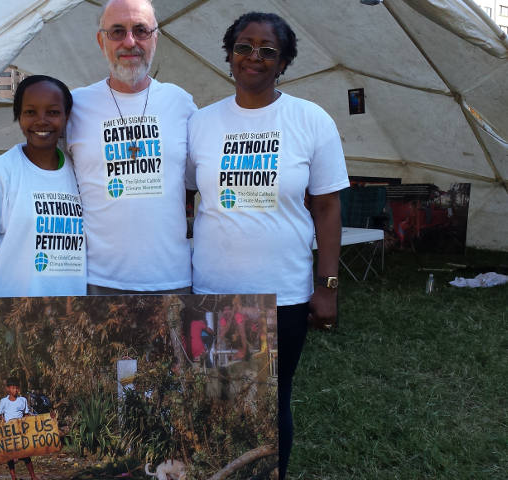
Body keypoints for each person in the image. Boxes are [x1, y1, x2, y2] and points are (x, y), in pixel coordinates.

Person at [187, 12, 348, 478]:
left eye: (267, 50)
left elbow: (328, 209)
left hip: (284, 297)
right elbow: (182, 195)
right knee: (215, 397)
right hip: (212, 291)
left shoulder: (310, 120)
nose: (253, 57)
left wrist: (328, 286)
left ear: (284, 62)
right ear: (229, 54)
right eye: (243, 46)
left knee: (272, 401)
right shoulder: (202, 123)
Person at [0, 0, 197, 295]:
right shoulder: (78, 105)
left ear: (155, 38)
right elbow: (37, 148)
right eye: (117, 31)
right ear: (101, 41)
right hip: (98, 283)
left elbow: (205, 176)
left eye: (140, 30)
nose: (130, 41)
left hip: (173, 280)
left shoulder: (182, 103)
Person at [0, 75, 85, 297]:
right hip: (12, 318)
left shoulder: (81, 170)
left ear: (67, 117)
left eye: (53, 112)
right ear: (19, 117)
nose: (42, 120)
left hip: (72, 317)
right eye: (30, 112)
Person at [0, 378, 38, 480]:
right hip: (9, 433)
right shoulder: (3, 401)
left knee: (25, 455)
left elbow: (26, 415)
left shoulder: (22, 400)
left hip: (21, 431)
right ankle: (13, 477)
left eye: (16, 388)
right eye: (13, 388)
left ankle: (33, 476)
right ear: (8, 389)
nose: (15, 390)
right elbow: (1, 416)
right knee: (10, 456)